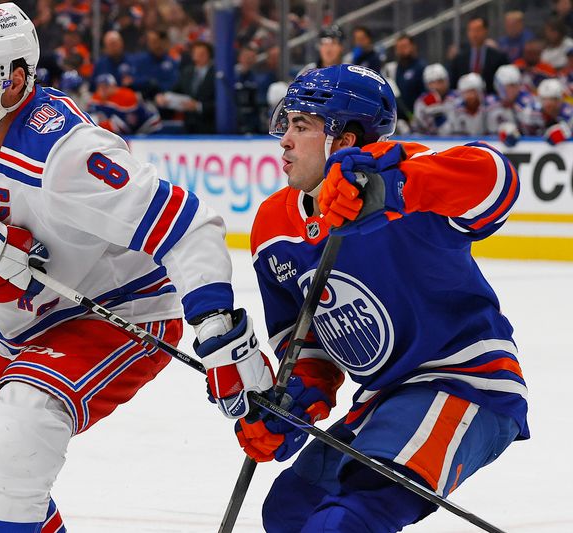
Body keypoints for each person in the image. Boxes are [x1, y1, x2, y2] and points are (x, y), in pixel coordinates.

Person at [0, 2, 272, 531]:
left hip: (117, 315)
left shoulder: (67, 151)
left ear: (13, 81)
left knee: (13, 438)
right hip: (26, 326)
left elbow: (188, 224)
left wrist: (217, 325)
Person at [239, 64, 528, 532]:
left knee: (347, 520)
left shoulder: (405, 173)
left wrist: (395, 188)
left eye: (301, 126)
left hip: (466, 382)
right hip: (381, 398)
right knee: (289, 512)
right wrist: (294, 403)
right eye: (286, 124)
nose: (285, 141)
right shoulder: (273, 226)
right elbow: (308, 346)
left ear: (346, 140)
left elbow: (497, 180)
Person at [522, 77, 573, 144]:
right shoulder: (531, 112)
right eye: (544, 99)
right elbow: (525, 134)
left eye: (553, 99)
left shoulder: (570, 114)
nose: (548, 103)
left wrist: (564, 133)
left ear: (560, 99)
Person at [411, 63, 454, 135]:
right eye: (431, 83)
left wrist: (440, 118)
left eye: (440, 81)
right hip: (428, 142)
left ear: (447, 81)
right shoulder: (421, 102)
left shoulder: (457, 99)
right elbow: (417, 128)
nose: (436, 86)